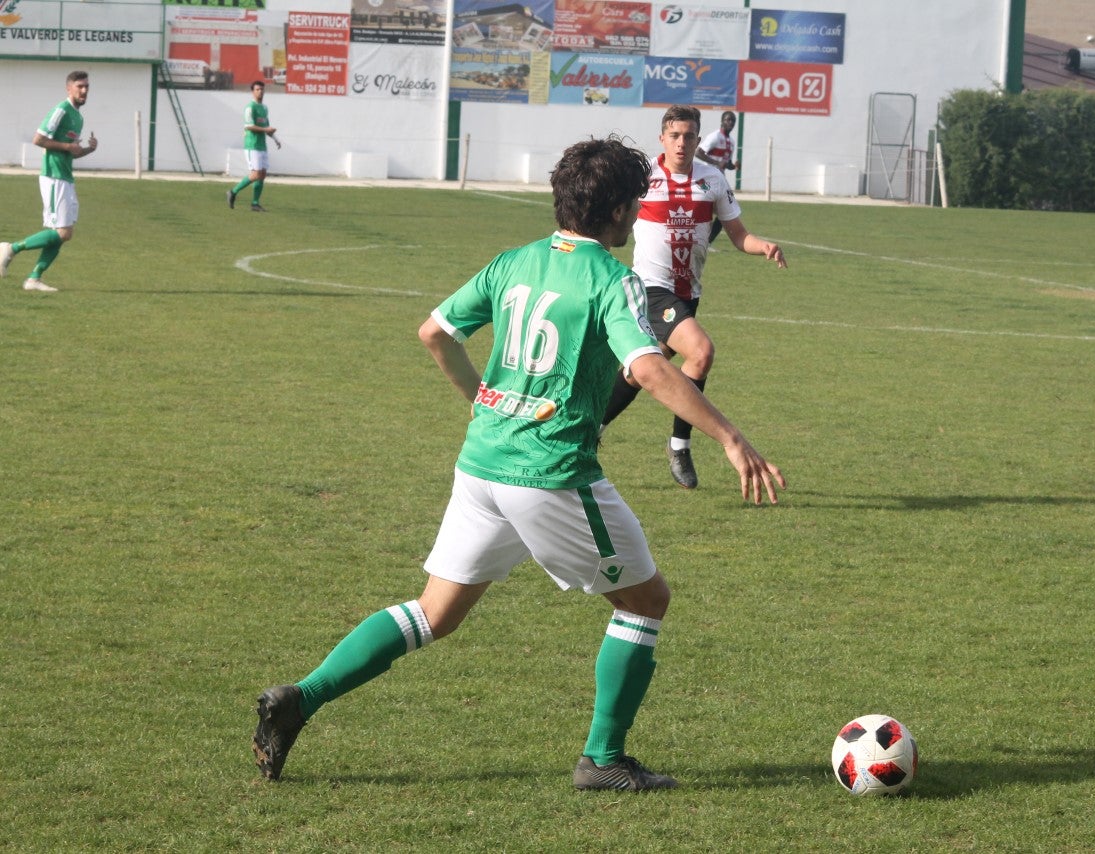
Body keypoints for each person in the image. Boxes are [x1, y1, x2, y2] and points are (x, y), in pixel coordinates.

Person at [251, 136, 785, 791]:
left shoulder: (514, 262)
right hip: (550, 473)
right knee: (646, 600)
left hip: (481, 464)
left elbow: (434, 334)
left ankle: (301, 698)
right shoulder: (611, 281)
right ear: (618, 210)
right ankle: (604, 760)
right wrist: (729, 436)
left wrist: (484, 399)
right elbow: (648, 369)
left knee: (435, 613)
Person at [599, 105, 787, 490]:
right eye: (674, 135)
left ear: (699, 139)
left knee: (637, 372)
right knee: (700, 352)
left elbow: (738, 235)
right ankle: (679, 446)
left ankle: (589, 429)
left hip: (688, 294)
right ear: (662, 138)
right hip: (650, 288)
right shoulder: (643, 177)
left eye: (688, 136)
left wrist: (762, 245)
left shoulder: (712, 179)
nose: (681, 142)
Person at [0, 71, 98, 293]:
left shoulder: (78, 117)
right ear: (69, 88)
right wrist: (66, 147)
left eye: (87, 87)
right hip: (53, 177)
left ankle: (34, 279)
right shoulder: (61, 110)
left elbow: (71, 153)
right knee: (62, 232)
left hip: (66, 177)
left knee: (66, 234)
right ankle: (10, 248)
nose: (84, 90)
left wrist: (88, 149)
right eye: (79, 86)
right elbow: (38, 139)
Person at [226, 80, 281, 212]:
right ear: (253, 91)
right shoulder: (250, 107)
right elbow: (248, 126)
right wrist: (266, 130)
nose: (260, 92)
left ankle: (255, 203)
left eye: (262, 89)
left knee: (262, 174)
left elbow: (266, 127)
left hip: (262, 145)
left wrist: (275, 138)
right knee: (256, 174)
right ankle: (233, 192)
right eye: (257, 89)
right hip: (252, 145)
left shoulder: (264, 108)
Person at [695, 110, 741, 244]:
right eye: (728, 119)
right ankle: (698, 238)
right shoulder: (715, 136)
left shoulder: (731, 142)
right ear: (722, 121)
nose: (730, 123)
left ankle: (708, 241)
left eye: (733, 121)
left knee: (724, 211)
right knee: (707, 209)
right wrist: (716, 163)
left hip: (720, 179)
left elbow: (726, 164)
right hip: (707, 177)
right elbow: (698, 152)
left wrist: (734, 166)